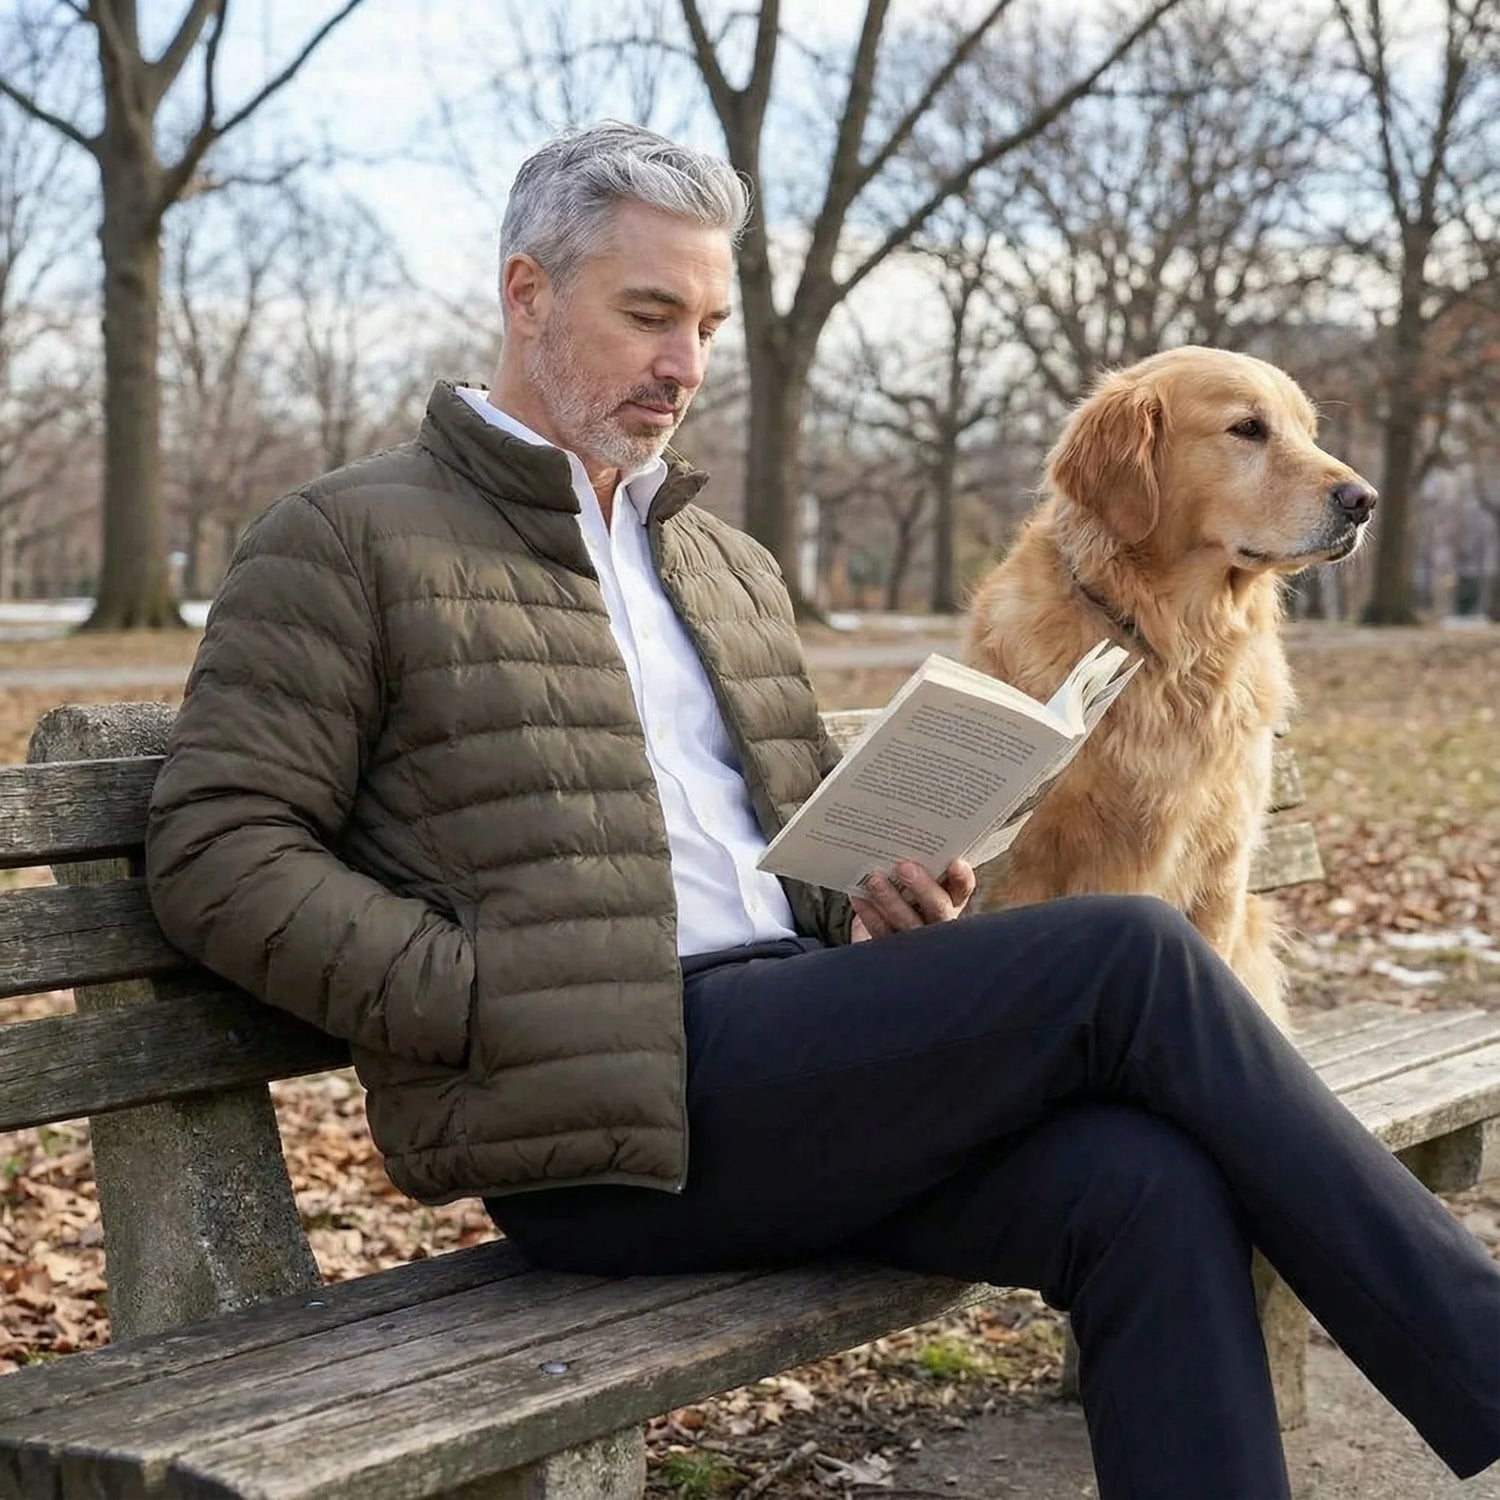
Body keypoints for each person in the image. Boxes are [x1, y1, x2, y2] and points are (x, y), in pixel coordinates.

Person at [144, 121, 1500, 1499]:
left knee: (1144, 1184)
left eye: (709, 326)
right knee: (1128, 951)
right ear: (528, 294)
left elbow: (785, 866)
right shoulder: (349, 536)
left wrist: (878, 906)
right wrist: (489, 1000)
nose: (684, 365)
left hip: (793, 1059)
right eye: (649, 315)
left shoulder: (720, 563)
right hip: (602, 1124)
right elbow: (217, 852)